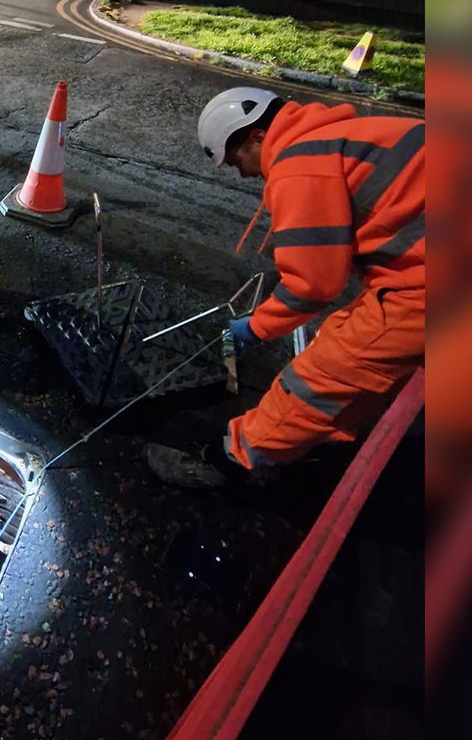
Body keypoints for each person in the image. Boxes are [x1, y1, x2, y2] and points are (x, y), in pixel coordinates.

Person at [149, 87, 425, 487]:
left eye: (237, 159)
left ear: (257, 135)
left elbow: (312, 285)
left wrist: (257, 325)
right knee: (350, 337)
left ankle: (236, 460)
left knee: (328, 370)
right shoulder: (343, 132)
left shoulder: (301, 166)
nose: (242, 173)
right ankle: (321, 431)